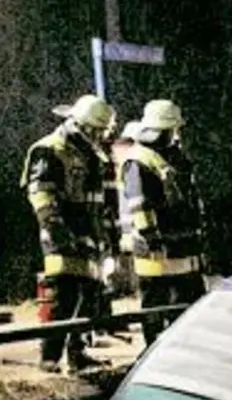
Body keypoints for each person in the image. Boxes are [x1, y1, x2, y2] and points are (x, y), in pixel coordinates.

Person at [20, 93, 115, 373]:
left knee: (91, 296)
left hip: (91, 237)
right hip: (63, 239)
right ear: (83, 125)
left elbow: (100, 202)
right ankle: (49, 359)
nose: (100, 136)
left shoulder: (93, 153)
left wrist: (106, 238)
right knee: (63, 298)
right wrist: (58, 231)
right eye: (97, 130)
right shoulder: (50, 149)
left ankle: (79, 353)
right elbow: (41, 195)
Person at [120, 99, 206, 345]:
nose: (178, 134)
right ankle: (154, 351)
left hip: (183, 248)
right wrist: (153, 240)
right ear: (164, 129)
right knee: (155, 308)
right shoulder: (139, 161)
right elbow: (139, 204)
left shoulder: (174, 157)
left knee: (189, 306)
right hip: (156, 253)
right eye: (174, 128)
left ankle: (188, 349)